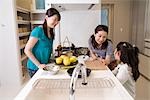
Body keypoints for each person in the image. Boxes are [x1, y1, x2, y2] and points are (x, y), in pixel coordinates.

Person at [24, 8, 61, 77]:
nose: (56, 23)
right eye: (54, 19)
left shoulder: (51, 32)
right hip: (35, 67)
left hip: (45, 66)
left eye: (58, 21)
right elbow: (27, 50)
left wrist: (51, 59)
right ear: (46, 18)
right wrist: (38, 65)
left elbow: (46, 49)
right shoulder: (38, 31)